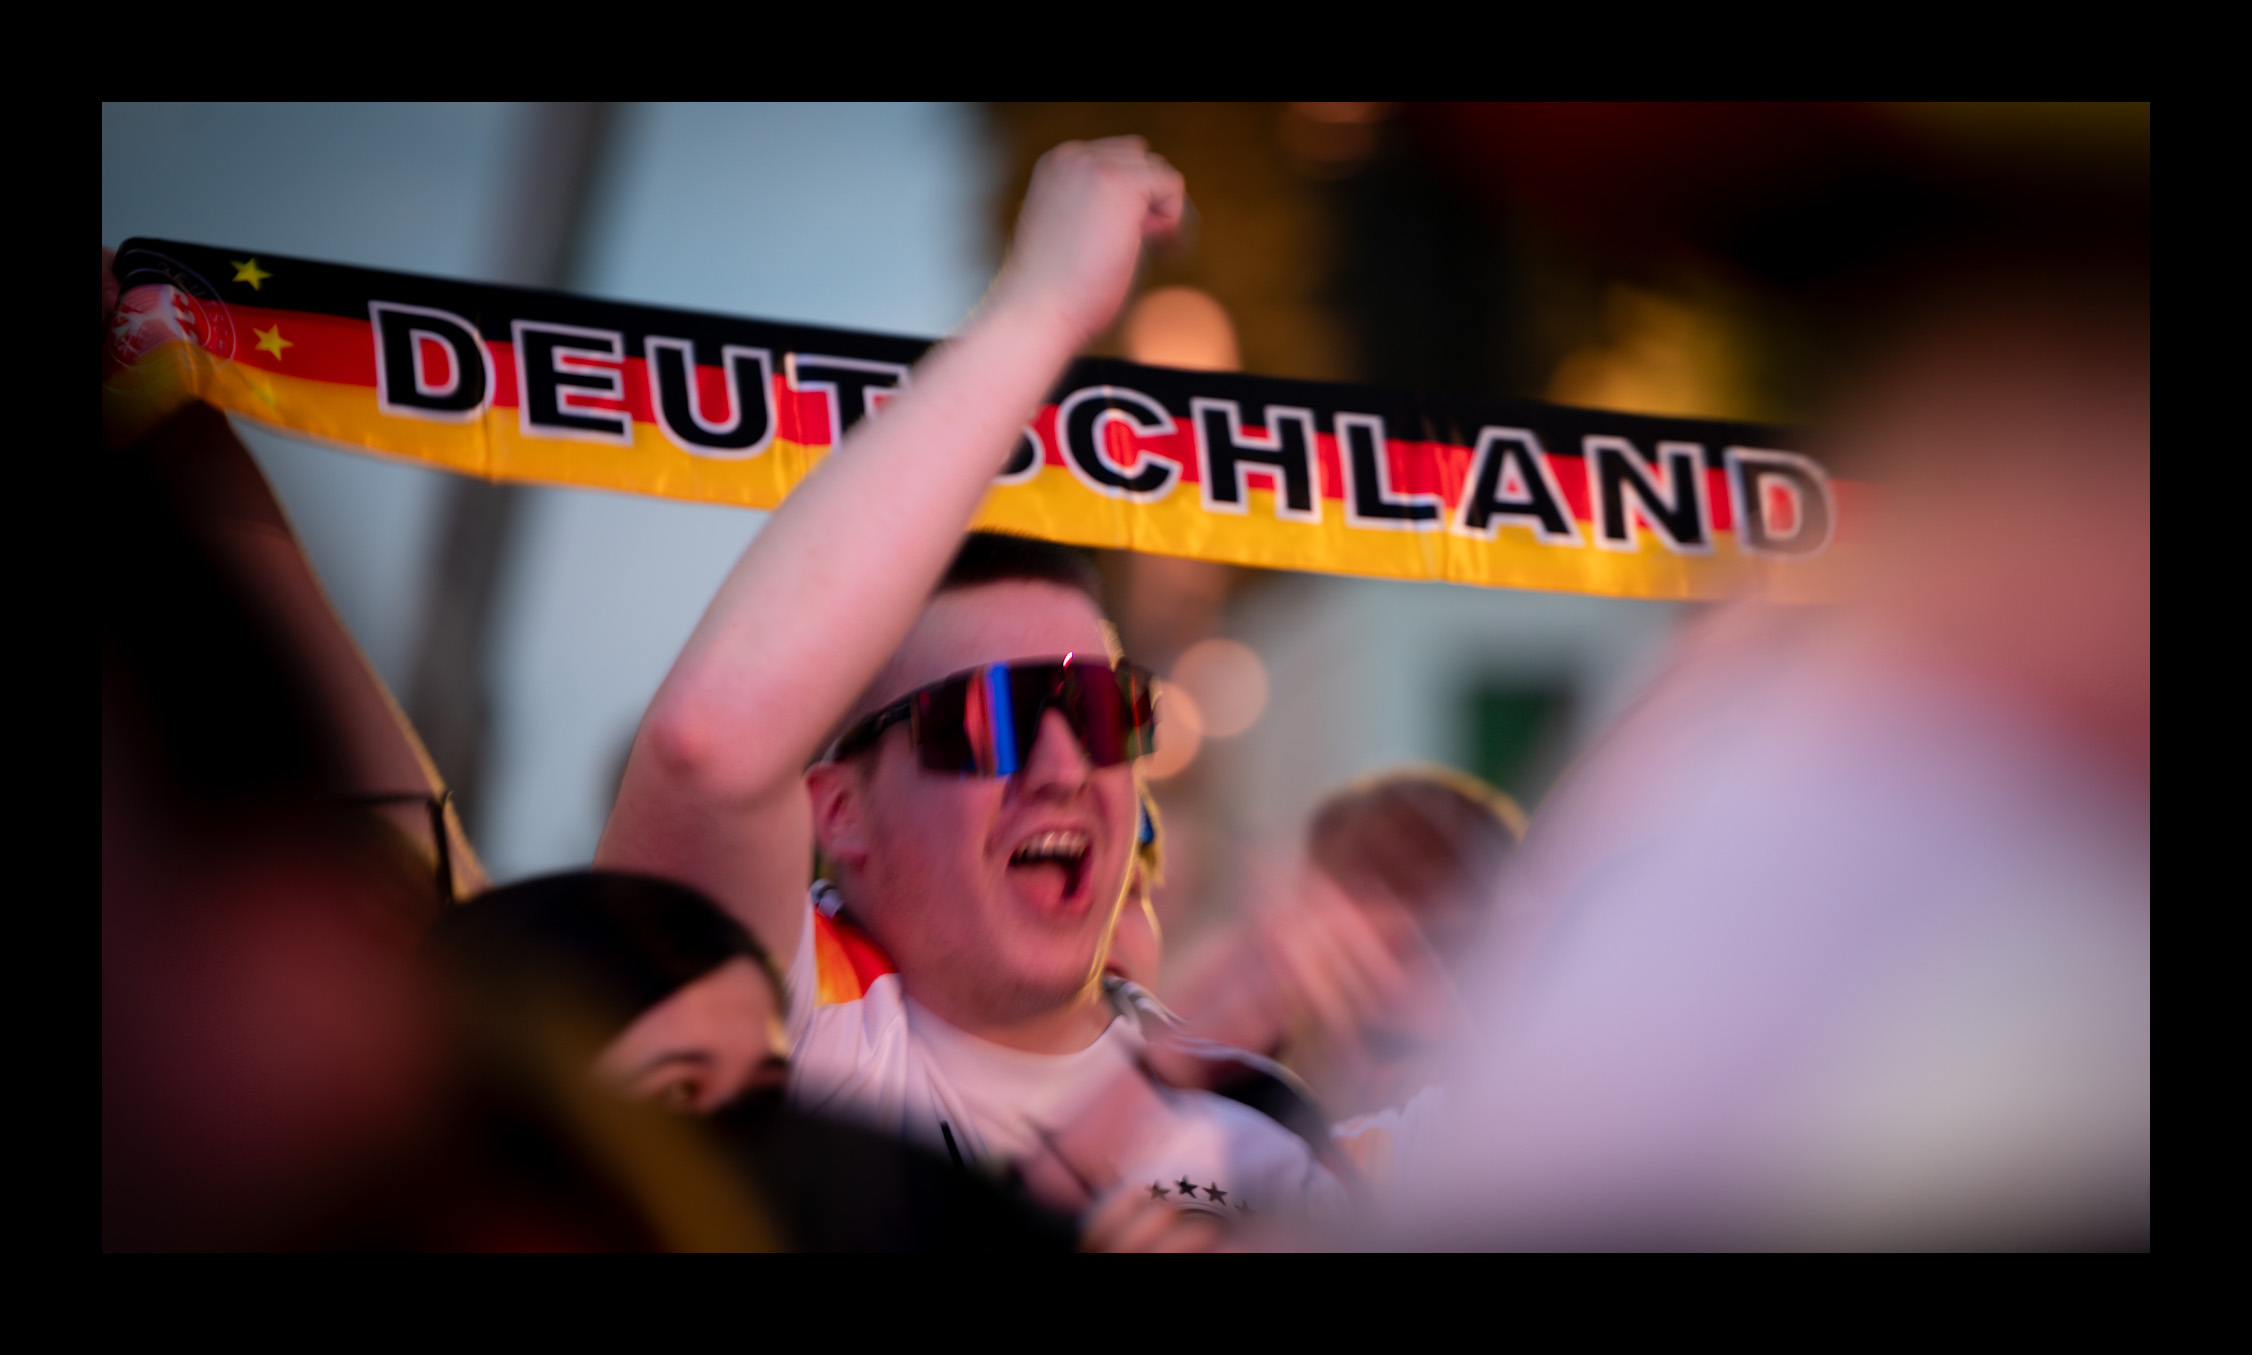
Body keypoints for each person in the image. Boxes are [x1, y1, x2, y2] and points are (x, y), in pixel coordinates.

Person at [599, 139, 1342, 1221]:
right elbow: (707, 749)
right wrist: (1039, 309)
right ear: (840, 811)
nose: (1060, 767)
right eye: (986, 719)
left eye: (1097, 712)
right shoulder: (788, 1031)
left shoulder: (1265, 1126)